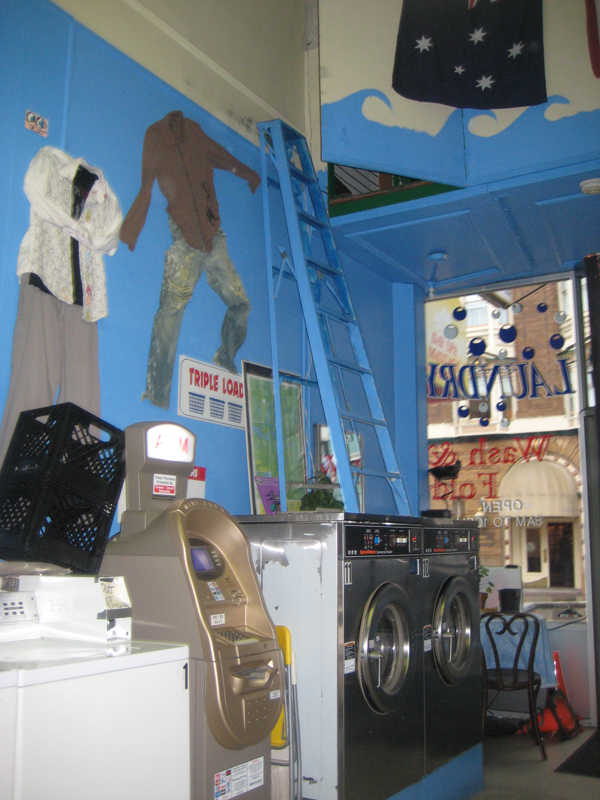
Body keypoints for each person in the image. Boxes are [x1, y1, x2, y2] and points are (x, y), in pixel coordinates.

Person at [119, 110, 260, 409]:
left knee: (241, 304)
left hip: (213, 235)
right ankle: (157, 392)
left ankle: (225, 356)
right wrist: (131, 231)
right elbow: (146, 183)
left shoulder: (193, 130)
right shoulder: (155, 136)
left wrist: (248, 172)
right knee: (170, 311)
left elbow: (219, 154)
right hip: (185, 238)